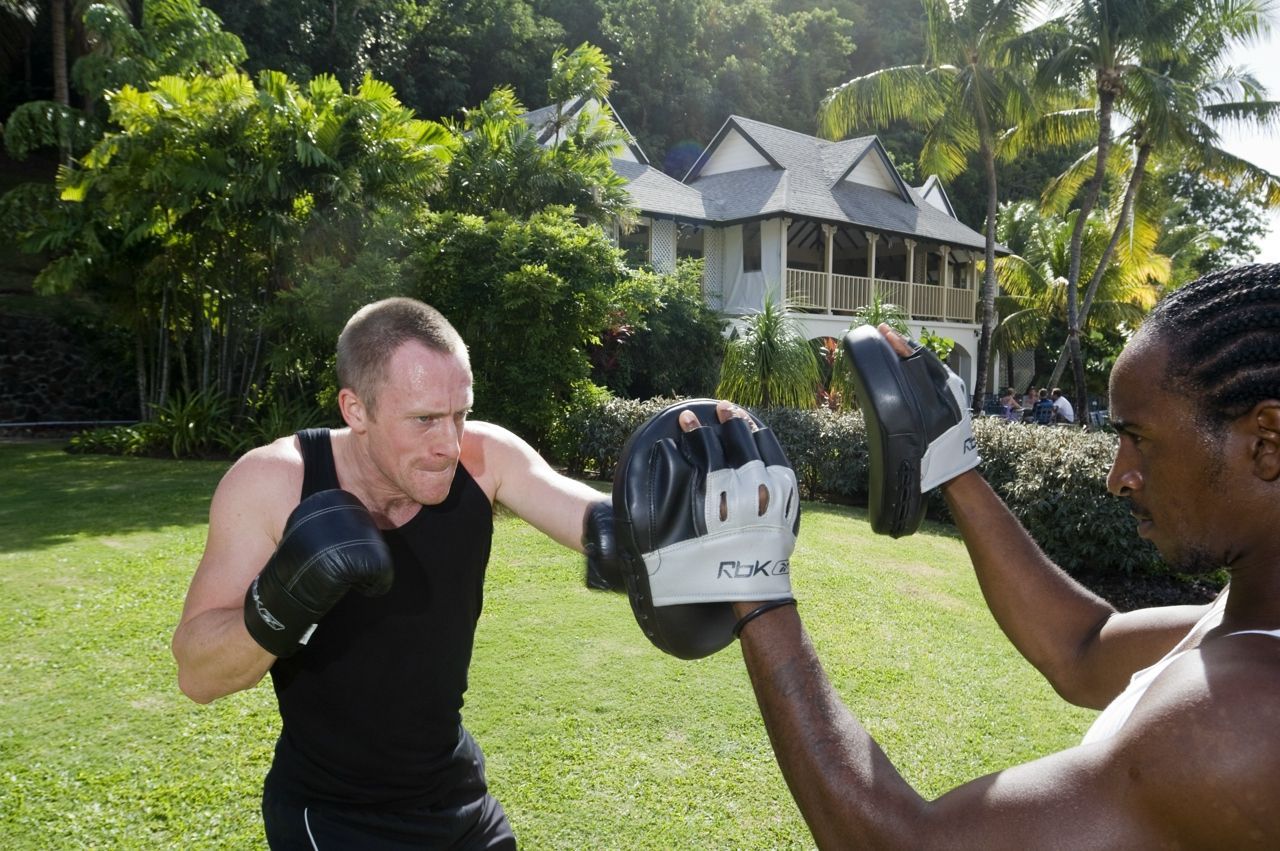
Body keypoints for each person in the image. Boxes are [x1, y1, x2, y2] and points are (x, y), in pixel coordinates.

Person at [666, 264, 1280, 846]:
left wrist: (755, 580)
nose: (1120, 476)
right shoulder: (1246, 614)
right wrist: (955, 467)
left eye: (1139, 439)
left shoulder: (1247, 718)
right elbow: (1084, 649)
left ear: (1266, 442)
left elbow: (904, 848)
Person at [171, 297, 625, 849]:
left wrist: (698, 499)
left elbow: (601, 523)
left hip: (457, 796)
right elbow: (198, 673)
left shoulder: (486, 460)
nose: (449, 444)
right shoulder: (273, 484)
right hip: (336, 816)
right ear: (355, 409)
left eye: (460, 413)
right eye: (425, 419)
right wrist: (286, 598)